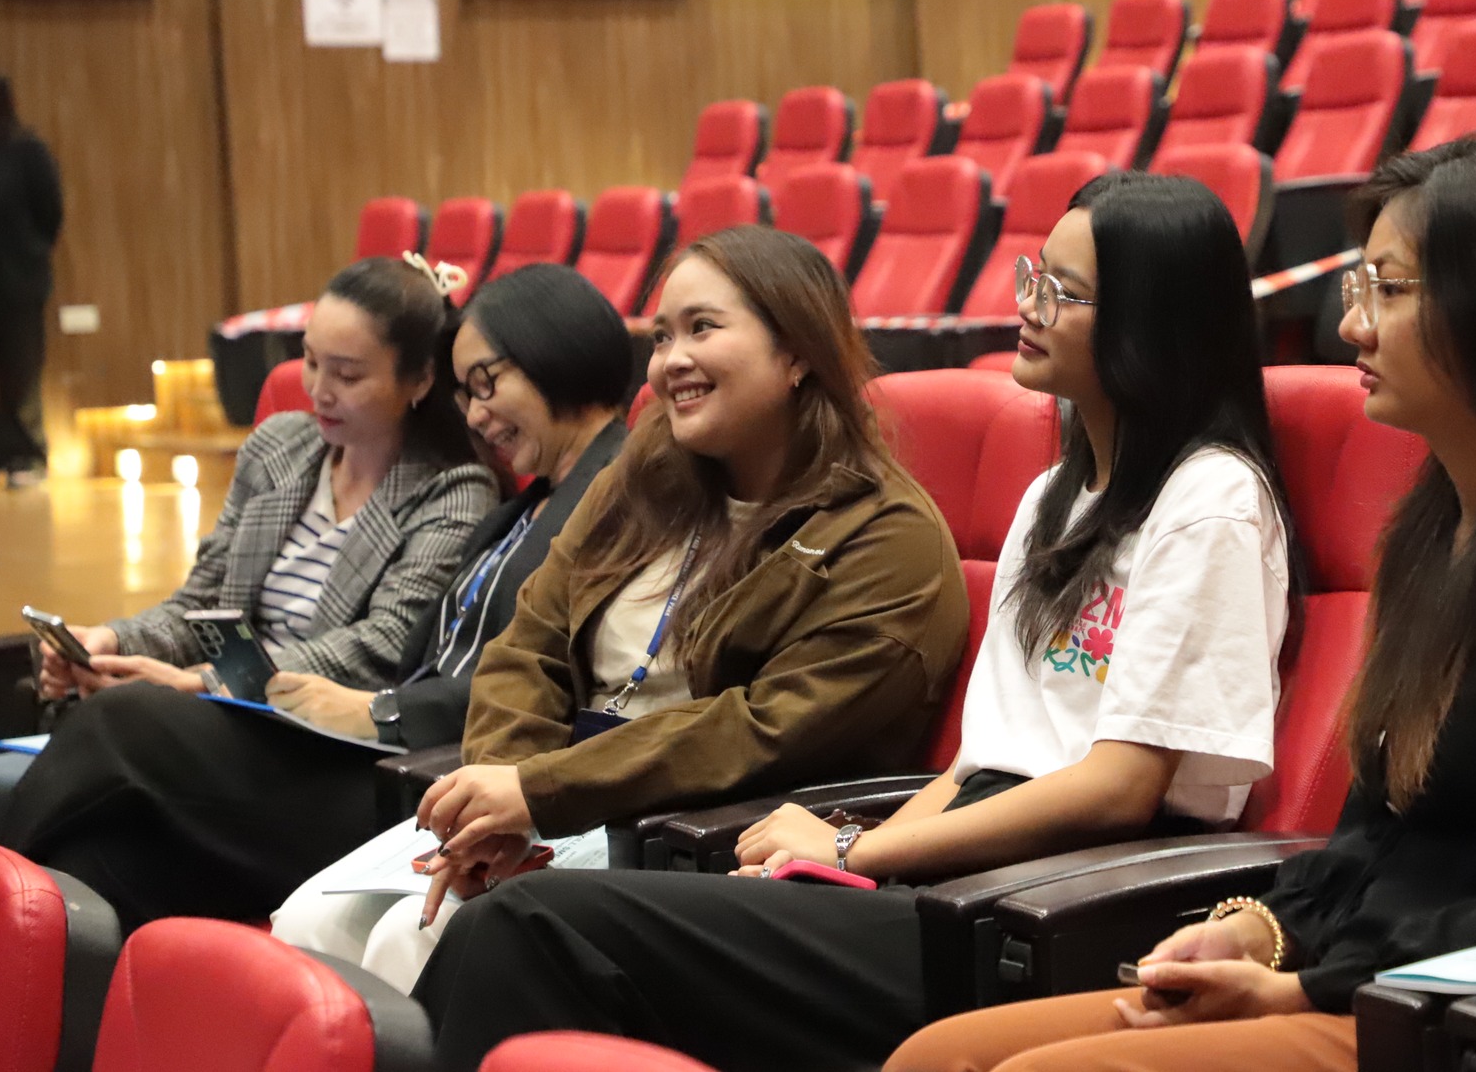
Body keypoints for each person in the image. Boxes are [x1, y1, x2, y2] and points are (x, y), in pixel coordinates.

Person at [410, 171, 1301, 1072]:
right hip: (966, 873)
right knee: (519, 935)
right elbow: (979, 765)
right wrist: (843, 863)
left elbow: (1119, 789)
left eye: (1062, 293)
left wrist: (855, 847)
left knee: (535, 926)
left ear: (1152, 321)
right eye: (1034, 276)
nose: (1027, 305)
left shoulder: (1211, 500)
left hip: (1067, 902)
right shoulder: (1053, 497)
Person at [884, 129, 1476, 1072]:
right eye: (1360, 288)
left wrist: (1303, 990)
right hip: (1363, 982)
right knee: (935, 1057)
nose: (1352, 325)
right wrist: (1254, 931)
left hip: (1474, 1023)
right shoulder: (1433, 534)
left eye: (1389, 291)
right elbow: (1374, 843)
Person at [270, 225, 971, 992]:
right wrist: (499, 798)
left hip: (693, 832)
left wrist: (538, 795)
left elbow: (766, 730)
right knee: (309, 926)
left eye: (703, 328)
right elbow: (529, 642)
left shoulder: (886, 533)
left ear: (798, 351)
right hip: (551, 795)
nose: (671, 360)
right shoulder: (645, 473)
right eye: (662, 335)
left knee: (418, 939)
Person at [0, 264, 630, 926]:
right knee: (103, 857)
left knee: (121, 719)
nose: (474, 412)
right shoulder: (529, 503)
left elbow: (401, 650)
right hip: (367, 743)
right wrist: (113, 642)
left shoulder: (523, 493)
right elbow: (202, 601)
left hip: (396, 763)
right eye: (310, 362)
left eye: (347, 374)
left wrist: (223, 685)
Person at [0, 76, 62, 486]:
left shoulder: (27, 152)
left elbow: (50, 213)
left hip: (18, 284)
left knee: (22, 375)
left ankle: (27, 457)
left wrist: (29, 253)